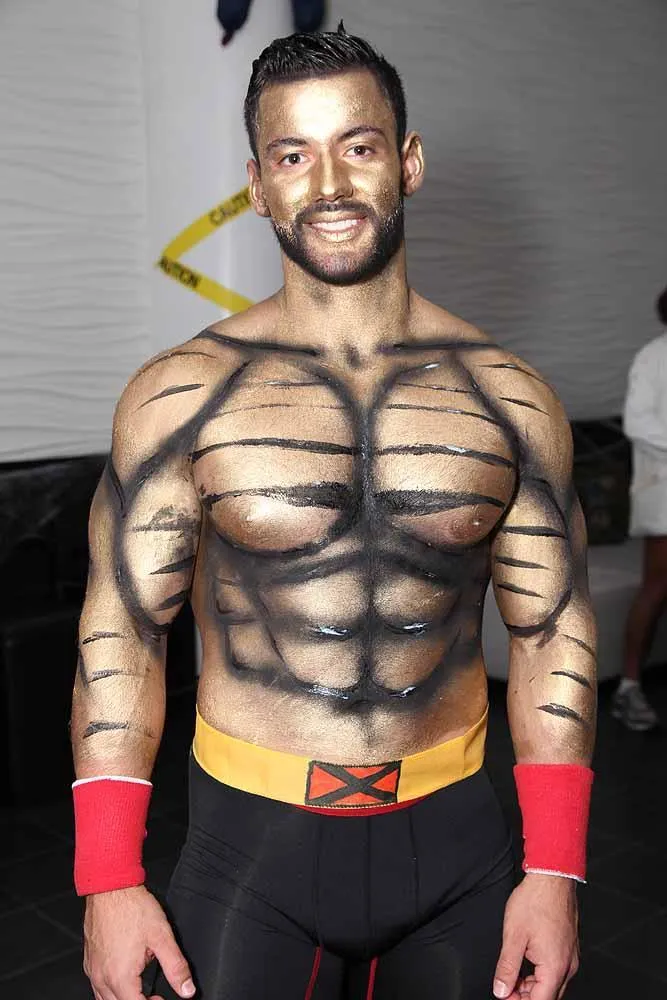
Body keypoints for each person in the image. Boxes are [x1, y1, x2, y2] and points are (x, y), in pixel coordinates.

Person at [71, 25, 597, 1000]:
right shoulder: (182, 396)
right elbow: (123, 631)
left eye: (357, 146)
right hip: (250, 849)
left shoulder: (508, 399)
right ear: (257, 185)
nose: (328, 183)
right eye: (292, 155)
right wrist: (107, 877)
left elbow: (551, 631)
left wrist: (555, 868)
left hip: (459, 846)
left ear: (407, 162)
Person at [614, 286, 667, 730]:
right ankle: (628, 687)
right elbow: (638, 422)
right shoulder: (654, 357)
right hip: (663, 488)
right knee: (658, 585)